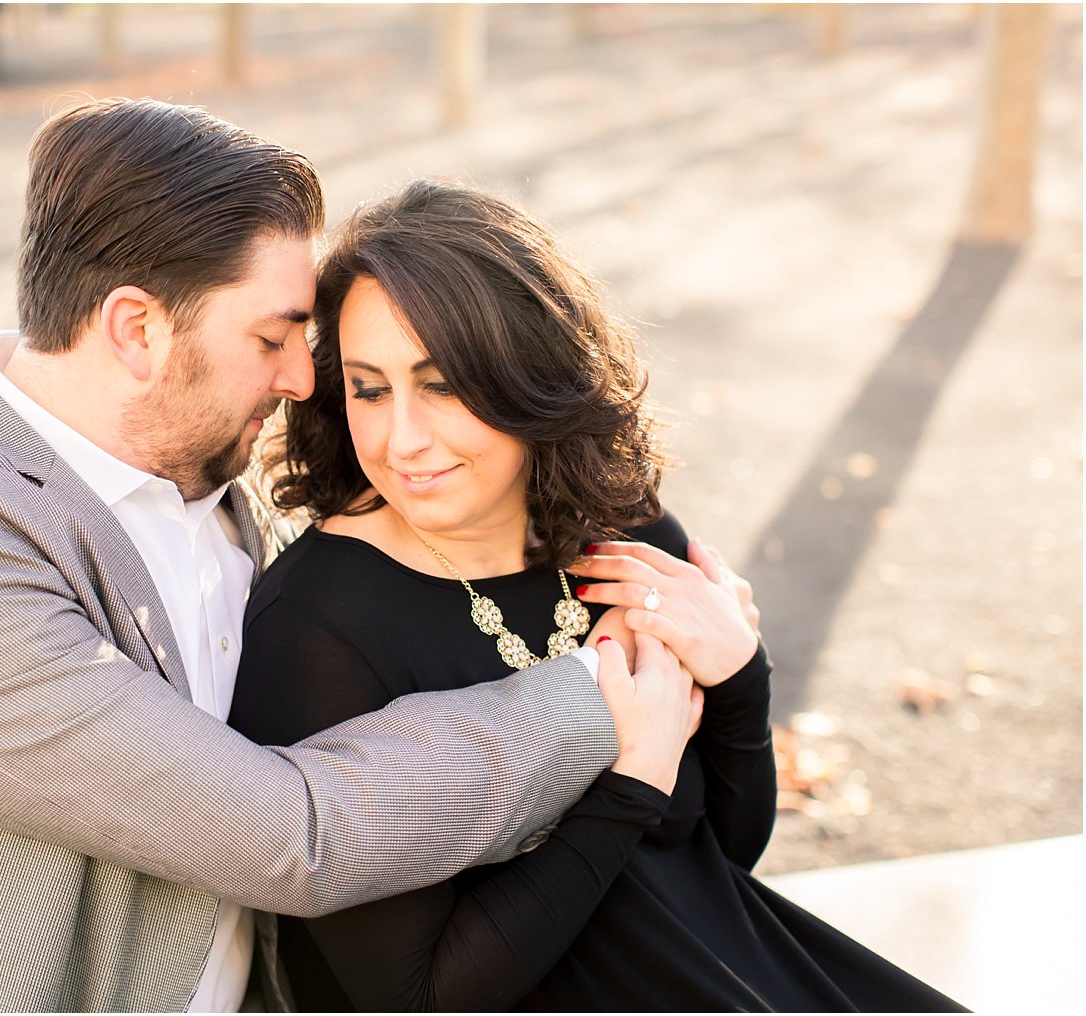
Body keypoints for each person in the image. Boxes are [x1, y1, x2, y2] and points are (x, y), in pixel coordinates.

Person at [0, 99, 692, 1013]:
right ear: (138, 329)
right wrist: (606, 689)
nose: (300, 378)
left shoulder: (205, 472)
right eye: (272, 337)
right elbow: (291, 834)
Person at [230, 179, 967, 1012]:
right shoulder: (317, 631)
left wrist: (738, 674)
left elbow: (720, 854)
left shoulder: (626, 538)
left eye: (441, 385)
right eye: (370, 388)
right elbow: (417, 995)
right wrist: (630, 783)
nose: (403, 438)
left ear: (525, 373)